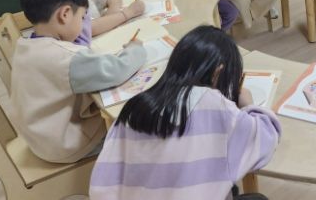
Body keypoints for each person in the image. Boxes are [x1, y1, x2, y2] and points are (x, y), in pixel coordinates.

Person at [90, 25, 281, 200]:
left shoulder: (134, 107)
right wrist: (248, 104)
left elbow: (101, 186)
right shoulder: (214, 105)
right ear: (218, 73)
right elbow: (266, 139)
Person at [12, 0, 146, 163]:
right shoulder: (66, 57)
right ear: (65, 14)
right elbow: (116, 71)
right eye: (83, 18)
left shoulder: (25, 44)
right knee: (135, 127)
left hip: (38, 136)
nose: (84, 25)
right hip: (65, 144)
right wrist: (135, 49)